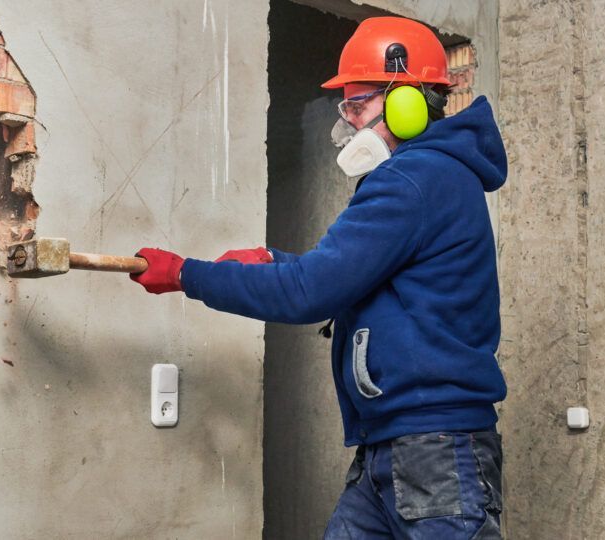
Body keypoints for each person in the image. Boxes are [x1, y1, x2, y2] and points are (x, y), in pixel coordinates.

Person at [129, 16, 508, 539]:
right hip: (398, 444)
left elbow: (311, 292)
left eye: (359, 104)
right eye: (346, 107)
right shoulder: (427, 178)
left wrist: (186, 275)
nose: (349, 122)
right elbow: (352, 276)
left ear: (409, 102)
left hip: (433, 449)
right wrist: (272, 260)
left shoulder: (413, 179)